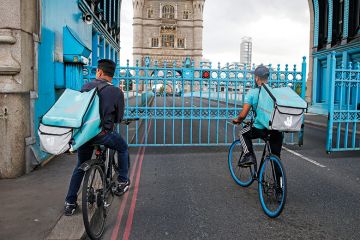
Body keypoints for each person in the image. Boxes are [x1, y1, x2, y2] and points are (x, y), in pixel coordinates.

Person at [64, 59, 130, 216]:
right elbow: (118, 118)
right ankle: (122, 181)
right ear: (111, 75)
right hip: (103, 135)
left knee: (81, 164)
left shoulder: (86, 87)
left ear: (99, 72)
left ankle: (70, 202)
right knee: (122, 147)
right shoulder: (116, 92)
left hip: (85, 135)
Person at [232, 65, 283, 166]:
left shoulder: (252, 92)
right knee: (276, 157)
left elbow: (243, 115)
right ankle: (280, 181)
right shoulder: (273, 92)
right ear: (267, 78)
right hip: (275, 128)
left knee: (242, 133)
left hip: (261, 128)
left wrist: (238, 120)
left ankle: (248, 156)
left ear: (256, 78)